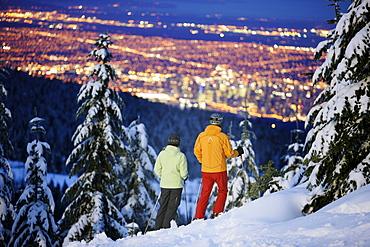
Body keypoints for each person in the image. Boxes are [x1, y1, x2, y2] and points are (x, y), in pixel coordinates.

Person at [193, 112, 243, 219]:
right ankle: (217, 213)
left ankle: (198, 216)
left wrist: (203, 161)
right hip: (219, 170)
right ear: (220, 122)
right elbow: (229, 154)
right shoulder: (222, 137)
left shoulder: (201, 136)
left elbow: (197, 152)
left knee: (205, 193)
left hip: (206, 170)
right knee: (222, 190)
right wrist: (238, 152)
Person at [154, 133, 188, 230]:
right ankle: (166, 228)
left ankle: (157, 227)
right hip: (176, 185)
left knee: (163, 206)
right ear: (178, 144)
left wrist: (163, 176)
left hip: (164, 184)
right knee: (172, 207)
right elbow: (183, 173)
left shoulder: (162, 154)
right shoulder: (181, 156)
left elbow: (157, 169)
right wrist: (185, 177)